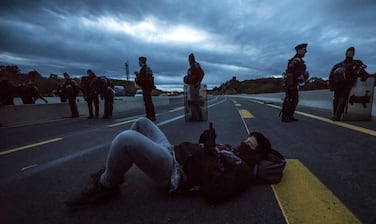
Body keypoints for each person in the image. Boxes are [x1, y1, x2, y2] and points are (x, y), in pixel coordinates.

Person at [65, 117, 277, 209]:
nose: (243, 143)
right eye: (246, 139)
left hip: (174, 172)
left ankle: (106, 186)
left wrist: (211, 149)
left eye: (249, 143)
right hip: (173, 152)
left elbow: (214, 191)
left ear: (255, 153)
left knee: (125, 140)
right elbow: (207, 158)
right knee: (141, 123)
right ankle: (114, 173)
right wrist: (208, 146)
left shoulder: (243, 172)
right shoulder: (233, 152)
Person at [328, 47, 369, 121]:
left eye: (352, 52)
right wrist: (331, 85)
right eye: (349, 52)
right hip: (338, 84)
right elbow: (331, 75)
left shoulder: (356, 63)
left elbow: (362, 70)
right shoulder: (338, 65)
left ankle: (337, 115)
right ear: (346, 53)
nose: (351, 53)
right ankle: (334, 114)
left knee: (342, 98)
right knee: (336, 98)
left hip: (348, 83)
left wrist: (365, 76)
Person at [281, 43, 309, 122]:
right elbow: (290, 72)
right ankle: (285, 117)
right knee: (289, 99)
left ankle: (290, 116)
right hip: (291, 83)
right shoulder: (295, 60)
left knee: (294, 100)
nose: (305, 51)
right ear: (299, 50)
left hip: (294, 82)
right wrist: (291, 84)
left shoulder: (299, 60)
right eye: (304, 50)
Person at [184, 53, 205, 121]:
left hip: (195, 86)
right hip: (192, 85)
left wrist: (197, 83)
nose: (189, 60)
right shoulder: (191, 67)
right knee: (192, 102)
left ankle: (199, 117)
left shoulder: (195, 65)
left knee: (195, 102)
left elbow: (202, 73)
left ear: (192, 59)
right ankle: (194, 116)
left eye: (190, 59)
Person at [135, 56, 156, 121]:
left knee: (147, 101)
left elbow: (142, 79)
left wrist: (137, 78)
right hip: (148, 87)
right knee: (148, 101)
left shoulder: (143, 69)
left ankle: (151, 116)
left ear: (142, 62)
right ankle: (150, 115)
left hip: (146, 87)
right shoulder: (147, 69)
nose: (138, 63)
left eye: (139, 61)